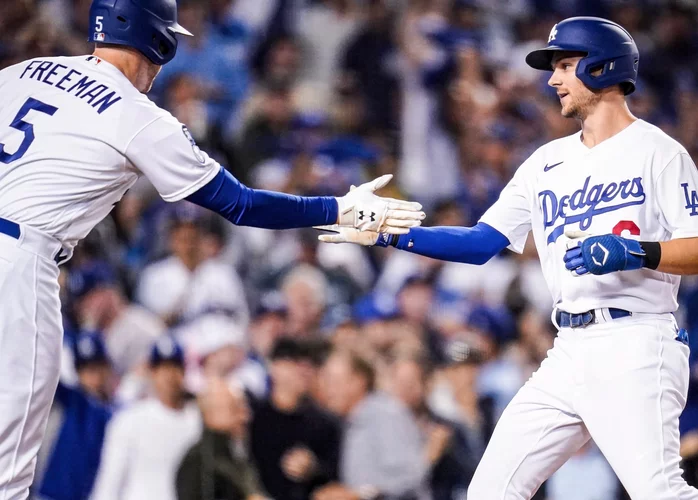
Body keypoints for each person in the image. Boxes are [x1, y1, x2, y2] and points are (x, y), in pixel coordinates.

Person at [0, 0, 424, 495]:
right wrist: (338, 209)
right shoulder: (138, 116)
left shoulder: (25, 71)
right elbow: (242, 205)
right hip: (20, 267)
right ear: (159, 41)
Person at [319, 16, 698, 499]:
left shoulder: (658, 152)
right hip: (568, 349)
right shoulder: (546, 162)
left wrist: (636, 251)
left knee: (660, 493)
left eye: (564, 65)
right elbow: (481, 242)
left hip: (637, 340)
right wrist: (388, 236)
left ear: (603, 68)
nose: (553, 79)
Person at [90, 337, 200, 500]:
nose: (168, 376)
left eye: (174, 367)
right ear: (152, 372)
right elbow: (109, 482)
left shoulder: (197, 421)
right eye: (162, 368)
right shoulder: (129, 420)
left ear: (184, 372)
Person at [314, 348, 428, 500]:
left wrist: (358, 494)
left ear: (358, 381)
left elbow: (411, 476)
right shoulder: (349, 421)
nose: (328, 390)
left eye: (334, 382)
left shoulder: (386, 414)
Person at [249, 338, 341, 500]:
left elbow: (336, 472)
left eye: (308, 365)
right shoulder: (252, 418)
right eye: (295, 363)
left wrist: (314, 468)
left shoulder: (325, 423)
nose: (303, 371)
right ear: (275, 367)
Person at [33, 332, 114, 500]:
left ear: (106, 368)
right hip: (50, 494)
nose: (93, 376)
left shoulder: (115, 414)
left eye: (97, 367)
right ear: (78, 371)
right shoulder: (72, 399)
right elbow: (44, 369)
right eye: (86, 369)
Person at [176, 378, 266, 500]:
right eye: (234, 409)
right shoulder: (199, 462)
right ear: (209, 415)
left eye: (245, 408)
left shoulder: (237, 451)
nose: (245, 416)